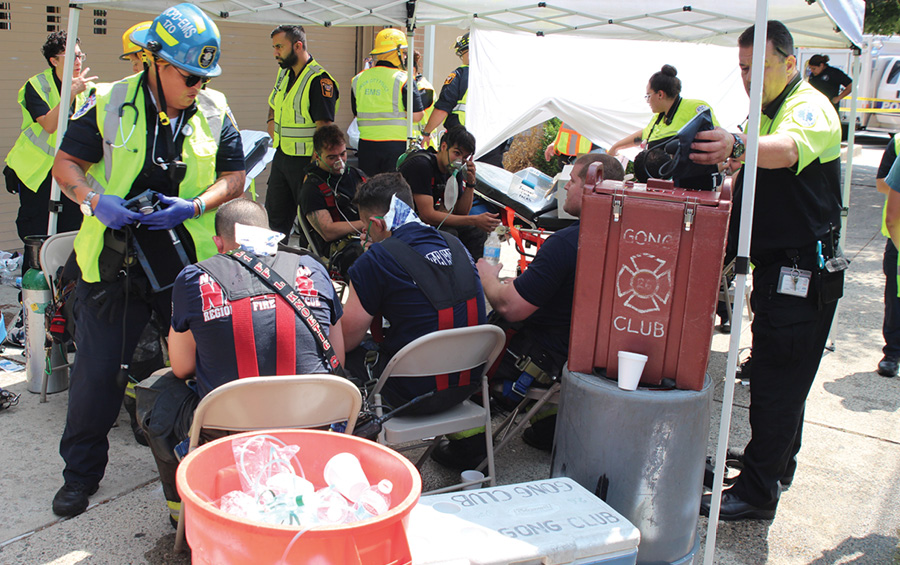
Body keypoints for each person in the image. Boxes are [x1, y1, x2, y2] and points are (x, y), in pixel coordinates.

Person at [49, 3, 246, 518]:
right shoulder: (109, 101)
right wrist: (93, 200)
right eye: (189, 75)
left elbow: (236, 176)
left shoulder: (216, 108)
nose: (197, 86)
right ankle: (80, 476)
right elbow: (66, 163)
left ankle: (211, 465)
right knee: (96, 377)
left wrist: (197, 204)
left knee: (207, 367)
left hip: (184, 263)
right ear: (156, 61)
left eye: (205, 76)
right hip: (115, 263)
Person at [691, 20, 843, 521]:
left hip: (803, 270)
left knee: (776, 380)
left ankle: (757, 493)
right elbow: (752, 173)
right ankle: (775, 467)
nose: (747, 78)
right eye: (741, 68)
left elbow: (788, 150)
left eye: (758, 67)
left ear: (790, 62)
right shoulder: (767, 109)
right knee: (787, 374)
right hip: (781, 268)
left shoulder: (809, 106)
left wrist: (737, 146)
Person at [137, 198, 344, 526]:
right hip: (315, 423)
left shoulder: (193, 278)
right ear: (271, 234)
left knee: (155, 392)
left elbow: (181, 367)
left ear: (218, 242)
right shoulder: (314, 268)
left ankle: (183, 516)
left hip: (227, 431)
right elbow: (337, 359)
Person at [431, 153, 624, 469]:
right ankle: (549, 426)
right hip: (585, 359)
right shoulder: (629, 239)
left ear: (593, 184)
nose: (565, 189)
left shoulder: (566, 244)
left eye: (572, 181)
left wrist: (488, 278)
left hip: (539, 358)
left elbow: (510, 307)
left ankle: (470, 445)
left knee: (453, 356)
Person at [341, 173, 487, 415]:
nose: (364, 234)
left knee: (338, 354)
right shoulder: (454, 242)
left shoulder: (375, 260)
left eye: (364, 226)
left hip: (411, 396)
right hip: (467, 385)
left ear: (378, 224)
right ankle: (466, 442)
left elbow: (346, 340)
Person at [4, 31, 96, 242]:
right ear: (54, 60)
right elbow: (49, 124)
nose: (78, 61)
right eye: (71, 56)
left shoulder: (89, 90)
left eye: (80, 56)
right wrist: (70, 93)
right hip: (37, 173)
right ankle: (36, 275)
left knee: (71, 231)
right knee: (37, 233)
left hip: (71, 170)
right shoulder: (37, 85)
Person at [266, 24, 340, 240]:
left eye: (279, 47)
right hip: (282, 158)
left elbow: (325, 130)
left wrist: (314, 169)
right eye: (274, 47)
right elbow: (274, 101)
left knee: (311, 228)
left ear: (298, 46)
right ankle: (273, 267)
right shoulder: (284, 73)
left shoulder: (319, 80)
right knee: (275, 222)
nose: (275, 53)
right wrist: (271, 120)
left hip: (306, 163)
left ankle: (311, 268)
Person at [398, 126, 500, 259]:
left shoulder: (453, 171)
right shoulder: (422, 165)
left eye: (465, 157)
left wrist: (470, 184)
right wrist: (474, 219)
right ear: (444, 146)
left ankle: (475, 274)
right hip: (404, 223)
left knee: (476, 232)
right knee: (449, 234)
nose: (459, 161)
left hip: (427, 222)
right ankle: (451, 276)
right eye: (457, 153)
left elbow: (461, 212)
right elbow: (427, 215)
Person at [607, 65, 719, 184]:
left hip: (694, 185)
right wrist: (616, 147)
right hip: (662, 186)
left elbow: (716, 136)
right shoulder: (658, 118)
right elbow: (642, 135)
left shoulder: (695, 108)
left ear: (660, 94)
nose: (648, 101)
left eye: (648, 96)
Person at [351, 28, 424, 175]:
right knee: (393, 190)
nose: (404, 58)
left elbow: (357, 112)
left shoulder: (358, 79)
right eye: (403, 53)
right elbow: (417, 115)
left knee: (370, 189)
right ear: (396, 53)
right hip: (395, 146)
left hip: (366, 145)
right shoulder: (404, 78)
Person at [298, 124, 366, 276]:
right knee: (365, 259)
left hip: (366, 236)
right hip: (342, 248)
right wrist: (365, 223)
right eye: (332, 157)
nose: (339, 161)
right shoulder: (312, 188)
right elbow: (327, 231)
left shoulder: (356, 175)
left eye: (342, 154)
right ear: (317, 155)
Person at [876, 134, 900, 378]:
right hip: (897, 240)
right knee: (895, 299)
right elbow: (881, 182)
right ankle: (892, 353)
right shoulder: (899, 142)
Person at [422, 33, 469, 146]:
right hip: (493, 145)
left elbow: (443, 107)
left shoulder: (460, 75)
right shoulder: (497, 76)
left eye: (463, 52)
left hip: (462, 140)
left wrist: (426, 133)